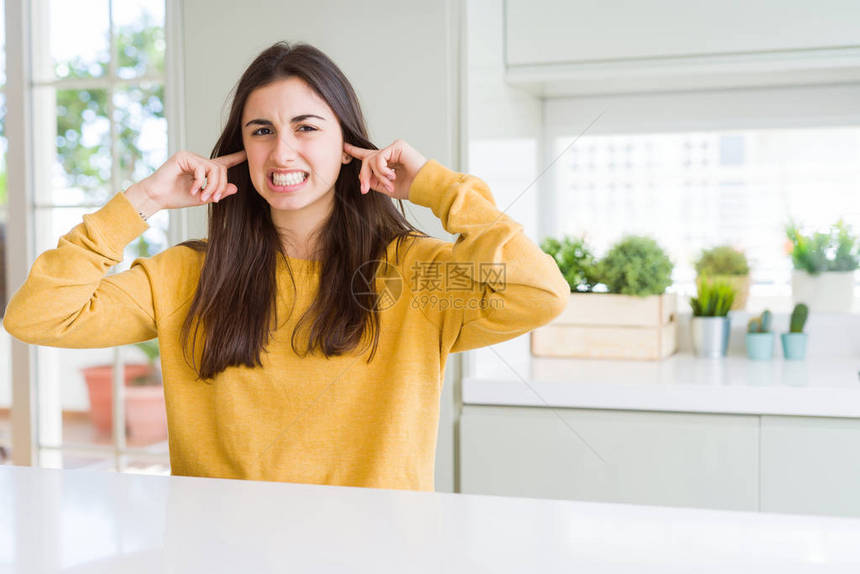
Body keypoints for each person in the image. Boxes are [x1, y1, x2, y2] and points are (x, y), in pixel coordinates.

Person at [3, 41, 569, 491]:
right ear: (241, 151)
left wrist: (439, 188)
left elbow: (540, 293)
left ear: (347, 145)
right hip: (220, 558)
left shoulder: (413, 275)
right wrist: (144, 200)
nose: (282, 154)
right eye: (262, 131)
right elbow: (38, 317)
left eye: (306, 127)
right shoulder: (184, 276)